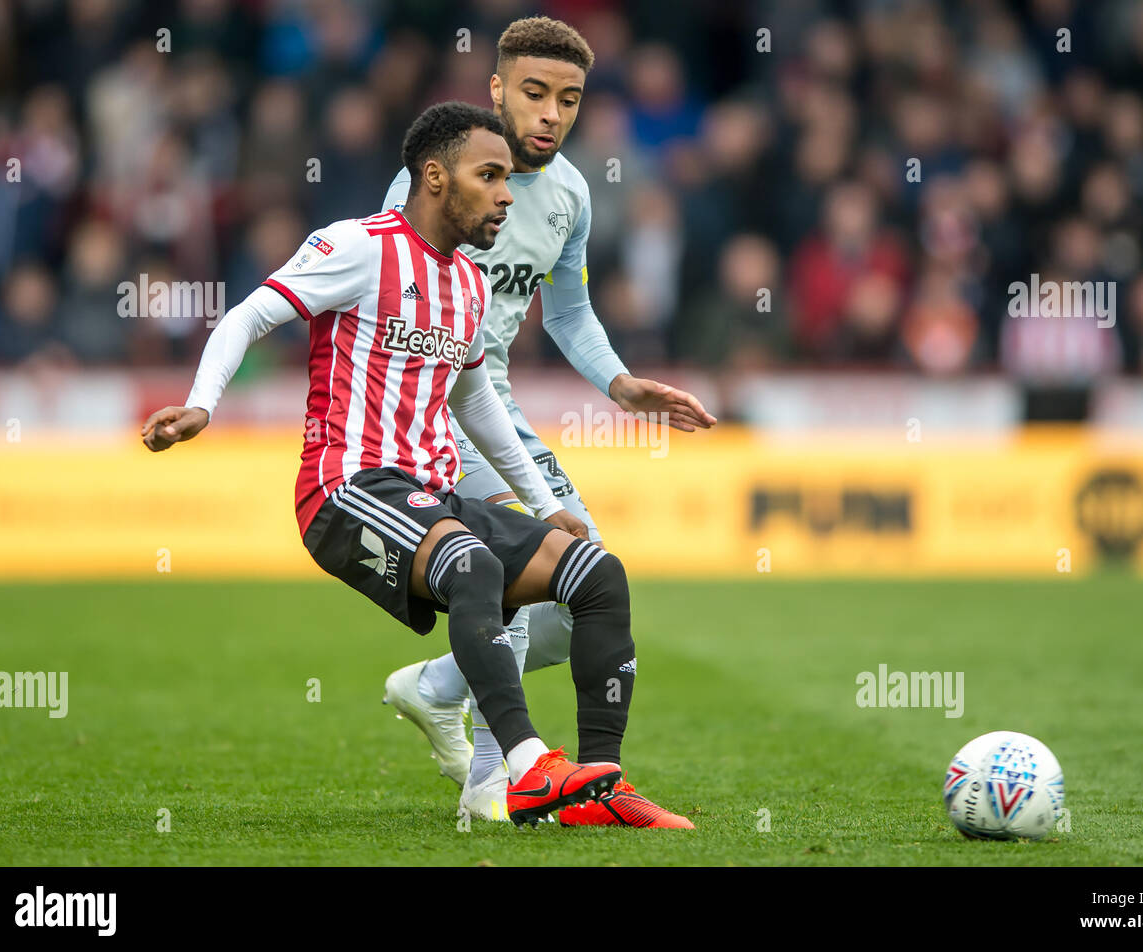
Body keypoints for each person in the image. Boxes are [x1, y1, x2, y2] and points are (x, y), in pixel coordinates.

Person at [140, 102, 634, 827]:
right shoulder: (357, 246)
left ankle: (601, 790)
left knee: (597, 574)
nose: (506, 193)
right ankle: (528, 765)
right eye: (489, 175)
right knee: (474, 565)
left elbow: (475, 400)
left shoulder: (469, 281)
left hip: (430, 495)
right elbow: (249, 313)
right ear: (435, 177)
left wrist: (542, 502)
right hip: (345, 490)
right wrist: (201, 404)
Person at [380, 17, 713, 828]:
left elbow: (569, 313)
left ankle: (437, 688)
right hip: (429, 406)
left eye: (568, 98)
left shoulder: (570, 195)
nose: (551, 114)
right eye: (533, 93)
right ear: (495, 90)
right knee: (514, 569)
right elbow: (380, 293)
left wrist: (621, 383)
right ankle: (491, 785)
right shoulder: (434, 178)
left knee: (581, 588)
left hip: (492, 402)